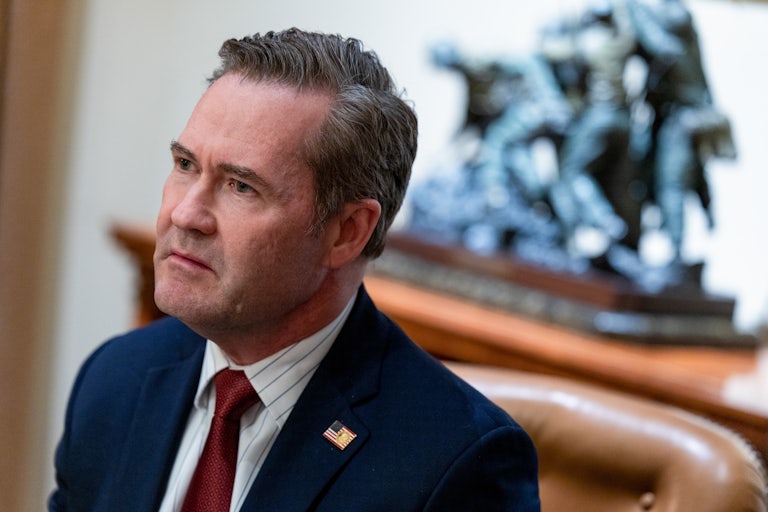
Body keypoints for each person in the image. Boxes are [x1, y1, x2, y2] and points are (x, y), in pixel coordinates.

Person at [49, 28, 540, 511]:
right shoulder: (115, 379)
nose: (185, 215)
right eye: (185, 165)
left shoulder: (455, 465)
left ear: (347, 231)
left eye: (241, 186)